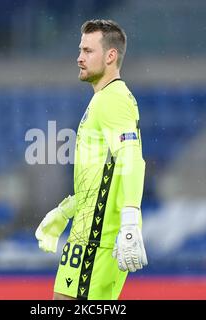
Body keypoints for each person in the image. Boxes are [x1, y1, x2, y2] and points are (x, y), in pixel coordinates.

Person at [35, 19, 147, 300]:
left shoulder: (114, 99)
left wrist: (131, 222)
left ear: (110, 56)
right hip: (85, 235)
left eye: (87, 51)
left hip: (98, 239)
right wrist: (65, 211)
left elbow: (131, 158)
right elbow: (99, 175)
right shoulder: (102, 100)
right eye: (80, 50)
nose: (79, 58)